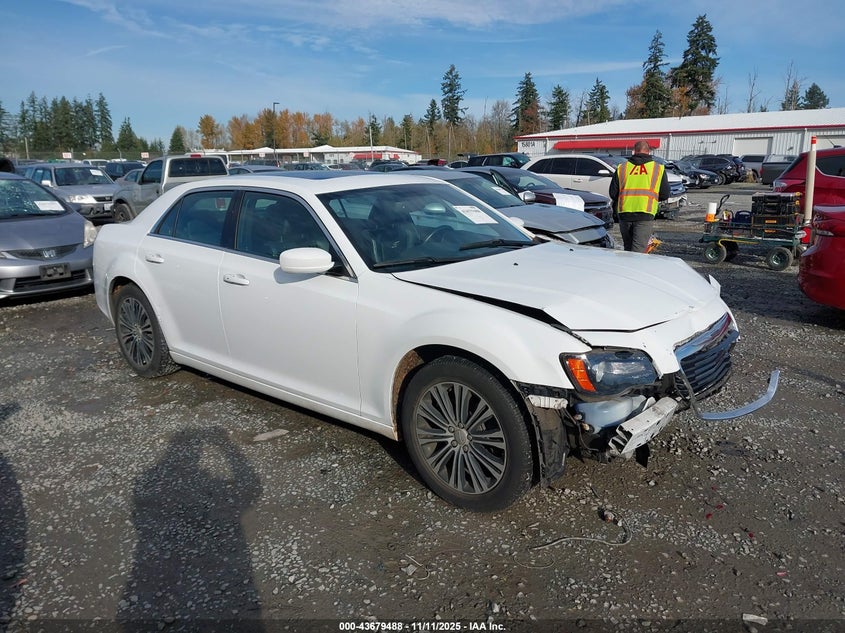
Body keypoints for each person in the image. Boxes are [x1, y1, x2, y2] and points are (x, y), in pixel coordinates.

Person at [609, 140, 670, 253]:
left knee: (628, 250)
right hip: (645, 214)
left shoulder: (622, 168)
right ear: (649, 151)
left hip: (625, 214)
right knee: (638, 253)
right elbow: (664, 194)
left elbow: (613, 193)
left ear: (634, 151)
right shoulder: (657, 169)